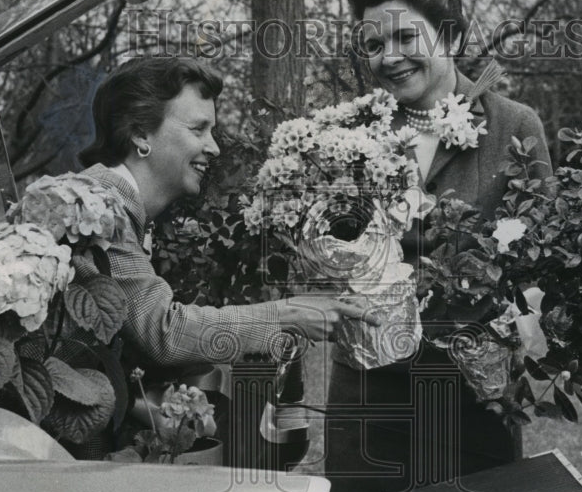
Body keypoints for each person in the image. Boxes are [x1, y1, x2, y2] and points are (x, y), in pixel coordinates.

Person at [324, 0, 551, 492]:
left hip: (472, 403)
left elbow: (542, 261)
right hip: (369, 403)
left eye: (406, 36)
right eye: (374, 45)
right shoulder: (349, 134)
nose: (389, 58)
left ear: (448, 33)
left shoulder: (512, 126)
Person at [71, 55, 373, 393]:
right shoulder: (98, 207)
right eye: (198, 129)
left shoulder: (117, 203)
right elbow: (162, 331)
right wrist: (287, 314)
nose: (213, 148)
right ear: (141, 133)